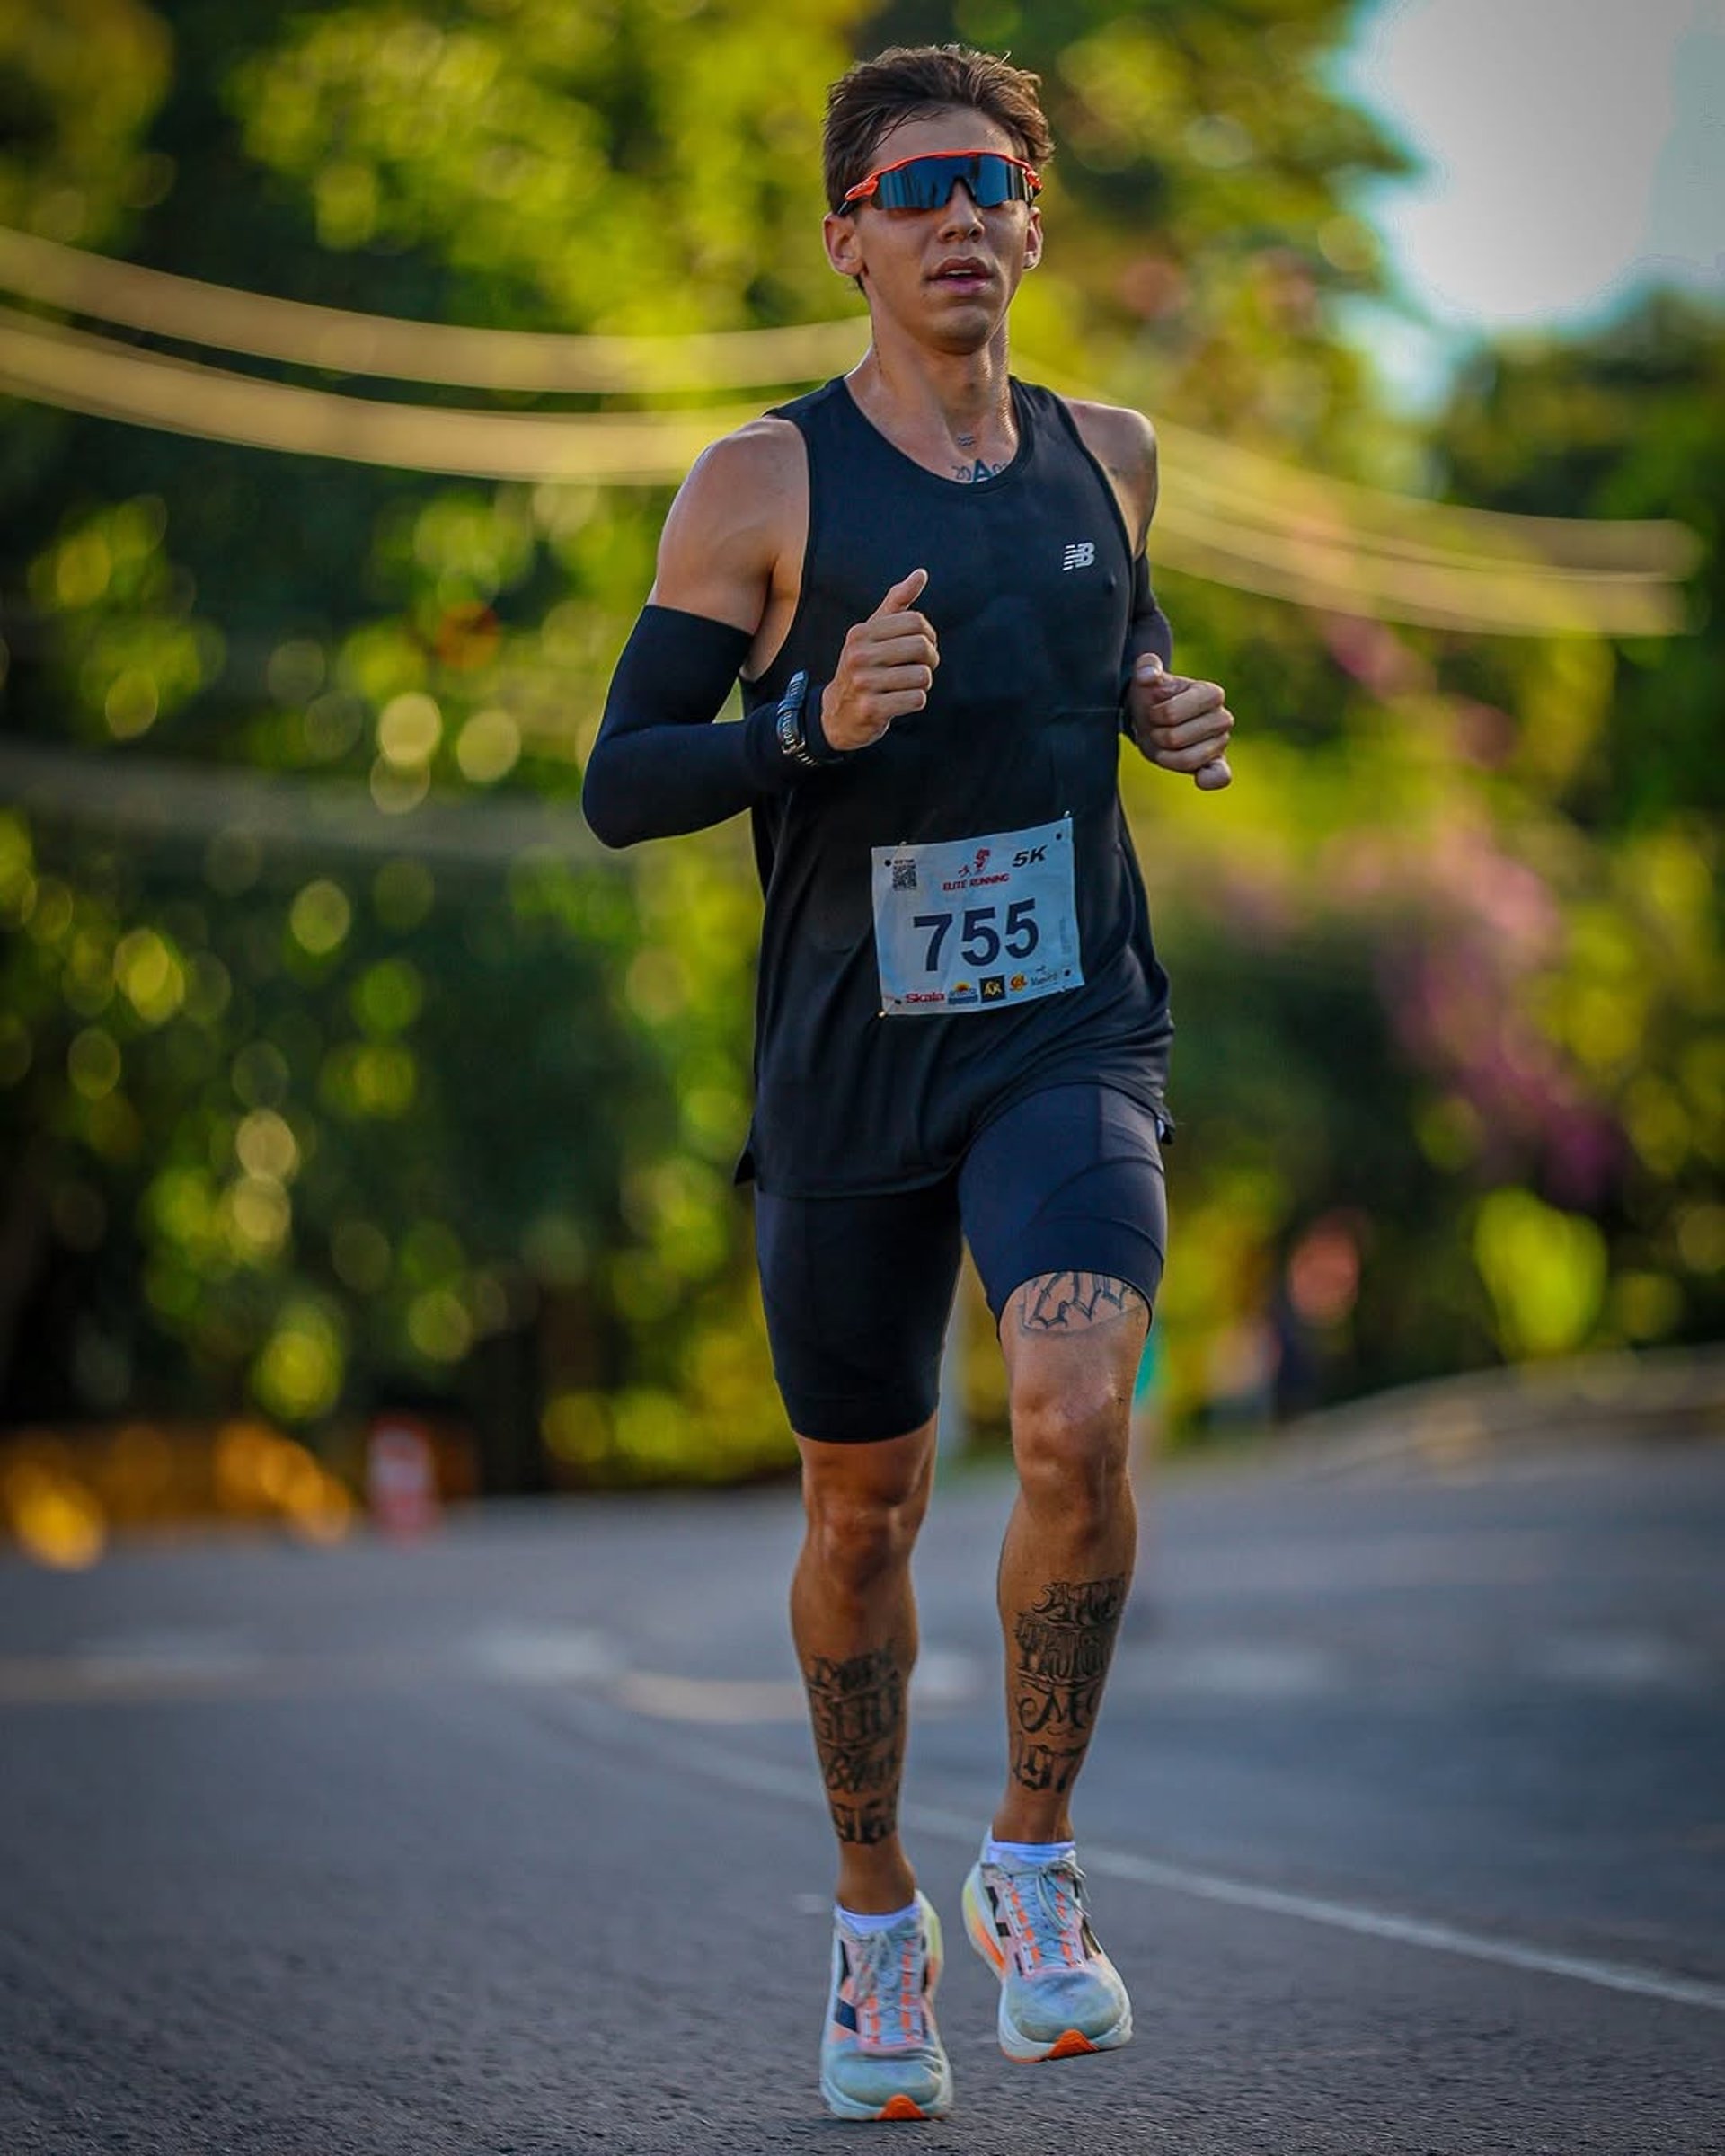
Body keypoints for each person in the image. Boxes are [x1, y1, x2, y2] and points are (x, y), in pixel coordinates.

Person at [582, 42, 1234, 2123]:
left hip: (1068, 1032)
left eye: (991, 186)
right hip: (852, 1065)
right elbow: (622, 781)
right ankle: (876, 1917)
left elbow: (1114, 638)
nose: (959, 218)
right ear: (844, 238)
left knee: (1074, 1415)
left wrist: (1159, 701)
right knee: (862, 1512)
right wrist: (809, 727)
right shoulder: (761, 486)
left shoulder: (1111, 455)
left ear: (1033, 226)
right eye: (914, 189)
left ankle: (1029, 1862)